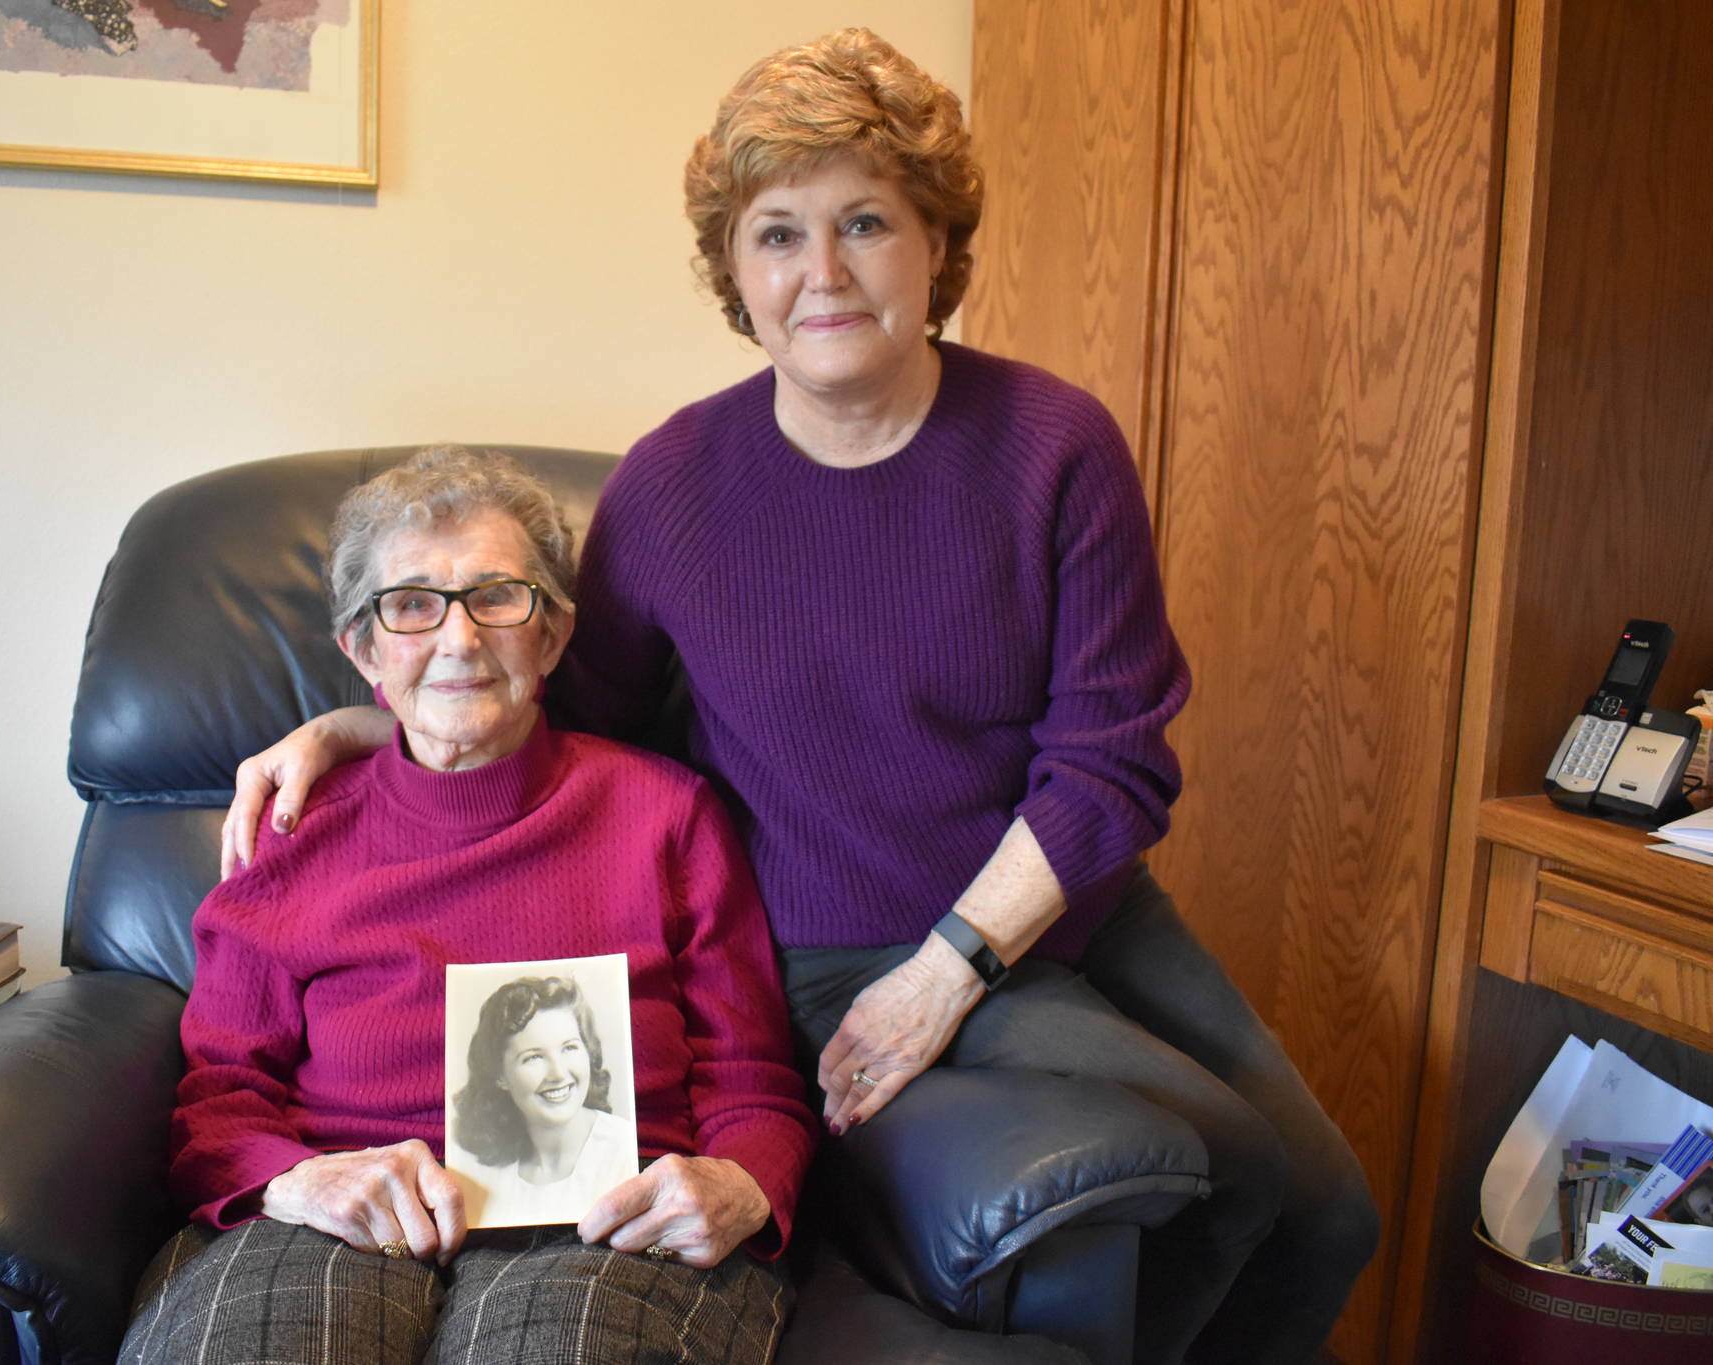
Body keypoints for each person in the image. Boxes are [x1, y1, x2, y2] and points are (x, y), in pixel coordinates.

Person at [219, 29, 1379, 1365]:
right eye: (777, 234)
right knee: (1225, 1162)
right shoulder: (670, 490)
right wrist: (377, 719)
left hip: (1053, 912)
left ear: (937, 246)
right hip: (828, 950)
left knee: (1332, 1208)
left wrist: (953, 967)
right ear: (736, 272)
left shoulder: (1057, 449)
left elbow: (1111, 762)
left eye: (867, 222)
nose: (821, 273)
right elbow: (574, 714)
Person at [121, 446, 814, 1365]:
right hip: (340, 1214)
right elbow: (222, 1103)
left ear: (555, 634)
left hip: (608, 1224)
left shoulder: (668, 814)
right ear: (363, 649)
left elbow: (754, 1080)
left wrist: (739, 1182)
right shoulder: (291, 831)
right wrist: (297, 1184)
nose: (459, 639)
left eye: (498, 596)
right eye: (412, 605)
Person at [449, 974, 640, 1226]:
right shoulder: (483, 1171)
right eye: (534, 1057)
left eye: (570, 1048)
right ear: (500, 1075)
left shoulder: (622, 1150)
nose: (559, 1074)